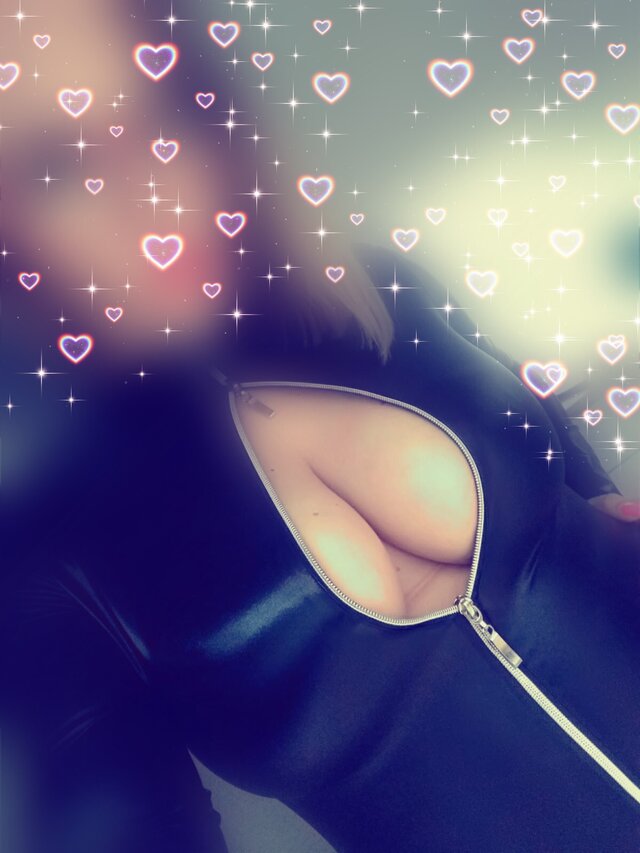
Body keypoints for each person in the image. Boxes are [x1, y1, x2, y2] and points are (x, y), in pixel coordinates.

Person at [1, 3, 639, 851]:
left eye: (159, 115)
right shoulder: (50, 552)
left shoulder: (381, 293)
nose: (152, 193)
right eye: (59, 166)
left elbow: (592, 495)